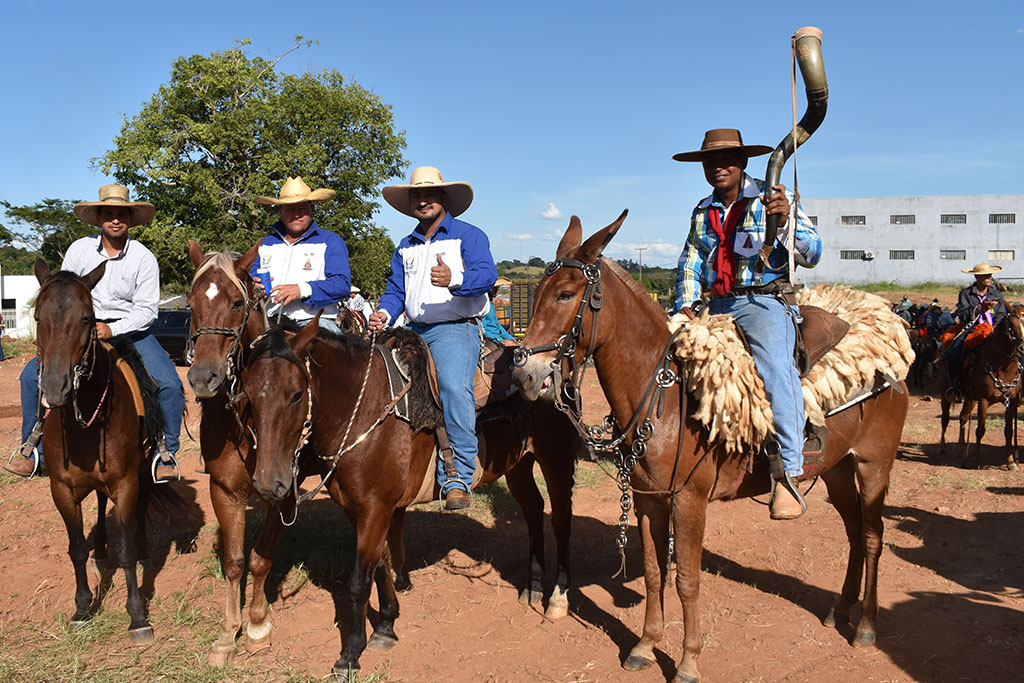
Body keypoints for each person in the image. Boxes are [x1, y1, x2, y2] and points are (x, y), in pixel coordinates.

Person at [672, 128, 821, 520]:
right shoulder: (702, 211)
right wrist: (685, 304)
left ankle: (787, 472)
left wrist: (785, 221)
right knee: (664, 354)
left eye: (726, 160)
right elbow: (690, 261)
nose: (717, 167)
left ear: (743, 163)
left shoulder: (772, 199)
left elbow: (813, 253)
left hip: (761, 301)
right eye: (710, 161)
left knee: (775, 365)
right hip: (713, 303)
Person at [7, 185, 185, 481]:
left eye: (121, 214)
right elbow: (63, 294)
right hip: (80, 328)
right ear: (99, 218)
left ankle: (164, 454)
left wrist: (112, 328)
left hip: (131, 331)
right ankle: (32, 450)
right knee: (29, 377)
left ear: (130, 219)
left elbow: (146, 310)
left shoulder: (143, 258)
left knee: (169, 385)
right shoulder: (79, 250)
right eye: (109, 214)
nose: (115, 219)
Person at [368, 166, 498, 511]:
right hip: (412, 329)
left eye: (429, 194)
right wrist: (383, 314)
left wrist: (455, 278)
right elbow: (396, 290)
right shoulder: (405, 245)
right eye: (417, 195)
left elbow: (487, 275)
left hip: (455, 328)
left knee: (453, 388)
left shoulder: (469, 236)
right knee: (375, 381)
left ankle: (458, 475)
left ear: (444, 198)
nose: (422, 201)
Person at [249, 177, 351, 335]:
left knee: (331, 345)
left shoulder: (330, 241)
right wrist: (253, 285)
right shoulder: (264, 244)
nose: (296, 214)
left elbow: (341, 285)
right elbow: (248, 278)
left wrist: (302, 290)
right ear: (280, 211)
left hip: (316, 322)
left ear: (312, 209)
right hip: (269, 322)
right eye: (290, 209)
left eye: (302, 209)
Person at [944, 262, 1008, 398]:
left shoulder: (997, 294)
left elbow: (1001, 313)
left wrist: (995, 326)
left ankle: (1018, 387)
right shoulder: (966, 294)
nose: (989, 278)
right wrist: (980, 308)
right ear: (977, 277)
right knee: (955, 350)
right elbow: (963, 314)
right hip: (972, 327)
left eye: (990, 275)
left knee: (1016, 349)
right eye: (986, 276)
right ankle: (954, 386)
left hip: (994, 327)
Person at [480, 277, 516, 346]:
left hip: (496, 338)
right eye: (495, 288)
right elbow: (483, 329)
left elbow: (497, 324)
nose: (497, 289)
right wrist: (500, 341)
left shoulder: (490, 303)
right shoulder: (482, 305)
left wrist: (510, 338)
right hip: (489, 340)